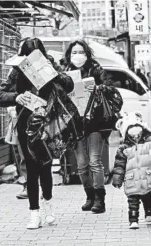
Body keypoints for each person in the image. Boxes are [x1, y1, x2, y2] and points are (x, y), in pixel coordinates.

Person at [0, 37, 76, 229]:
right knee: (31, 168)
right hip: (26, 125)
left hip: (49, 123)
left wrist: (51, 71)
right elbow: (0, 95)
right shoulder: (17, 70)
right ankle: (34, 213)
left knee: (46, 166)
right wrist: (17, 97)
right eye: (28, 56)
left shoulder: (50, 65)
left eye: (36, 56)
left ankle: (48, 206)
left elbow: (69, 84)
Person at [63, 40, 114, 214]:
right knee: (82, 164)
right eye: (74, 52)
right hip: (75, 124)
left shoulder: (96, 69)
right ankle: (89, 195)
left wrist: (97, 88)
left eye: (81, 52)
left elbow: (110, 87)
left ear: (87, 53)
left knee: (94, 161)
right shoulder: (65, 72)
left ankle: (100, 198)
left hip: (95, 122)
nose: (77, 56)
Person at [112, 112, 151, 229]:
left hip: (147, 177)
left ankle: (149, 212)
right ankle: (133, 220)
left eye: (138, 131)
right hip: (132, 179)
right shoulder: (124, 147)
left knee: (149, 197)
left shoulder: (150, 143)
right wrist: (117, 179)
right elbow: (119, 164)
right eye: (132, 132)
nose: (135, 136)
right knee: (133, 200)